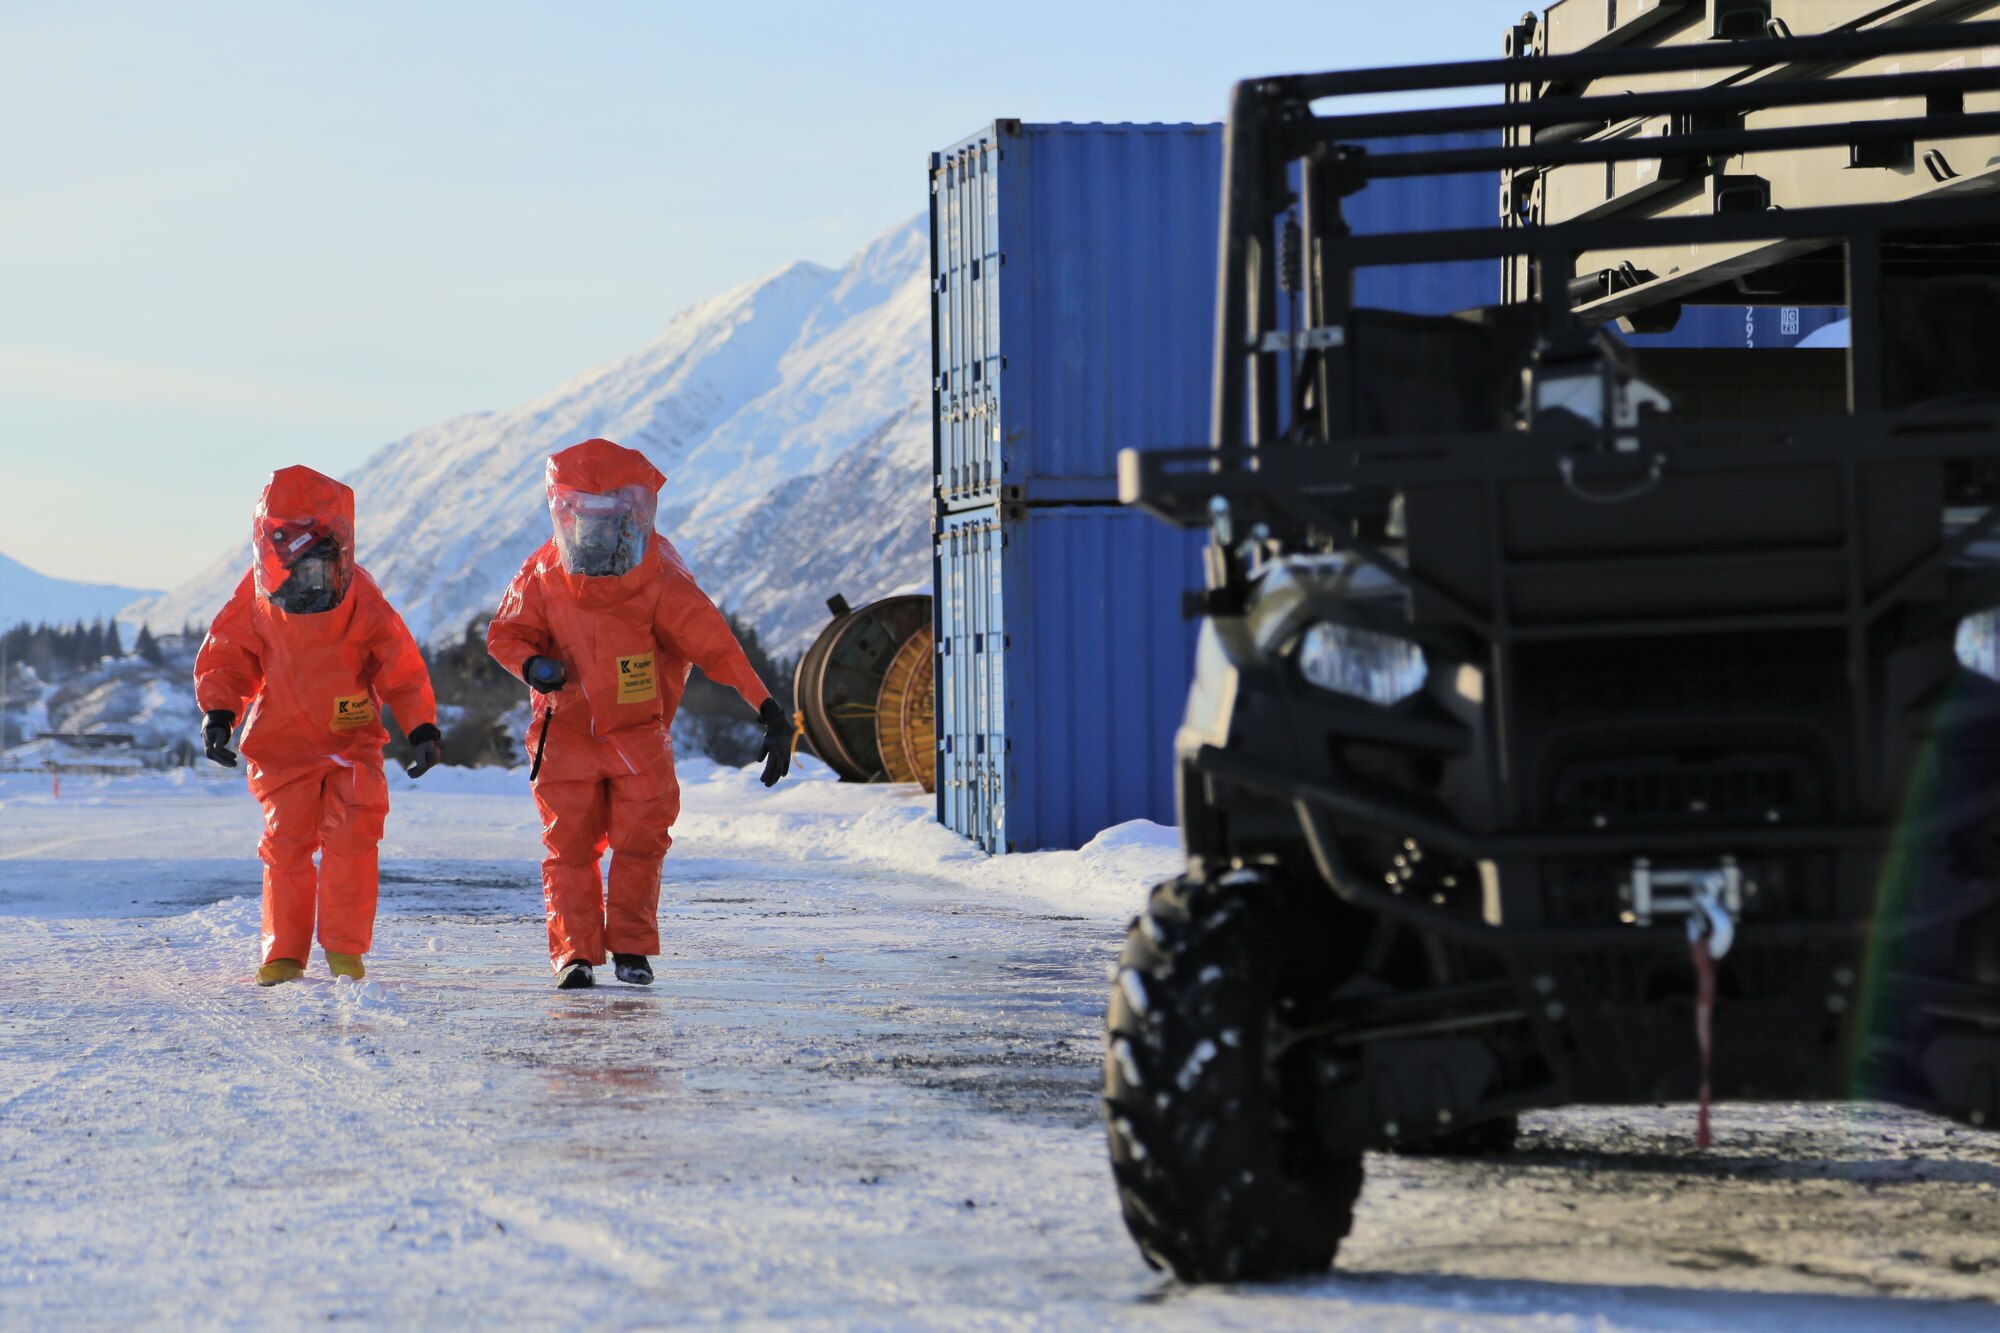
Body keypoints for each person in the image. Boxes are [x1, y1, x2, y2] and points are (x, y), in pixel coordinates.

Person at [486, 437, 793, 990]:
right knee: (569, 847)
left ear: (631, 517)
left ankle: (630, 948)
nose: (597, 534)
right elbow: (506, 634)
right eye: (586, 518)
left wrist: (768, 708)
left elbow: (715, 645)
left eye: (608, 521)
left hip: (638, 735)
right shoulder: (543, 574)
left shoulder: (659, 577)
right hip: (567, 735)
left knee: (640, 842)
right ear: (567, 513)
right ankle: (575, 954)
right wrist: (532, 664)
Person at [193, 465, 441, 987]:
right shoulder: (256, 596)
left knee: (354, 838)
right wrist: (219, 713)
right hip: (282, 745)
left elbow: (398, 663)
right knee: (286, 845)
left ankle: (344, 949)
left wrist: (421, 726)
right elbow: (228, 656)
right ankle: (283, 953)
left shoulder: (361, 596)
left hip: (352, 744)